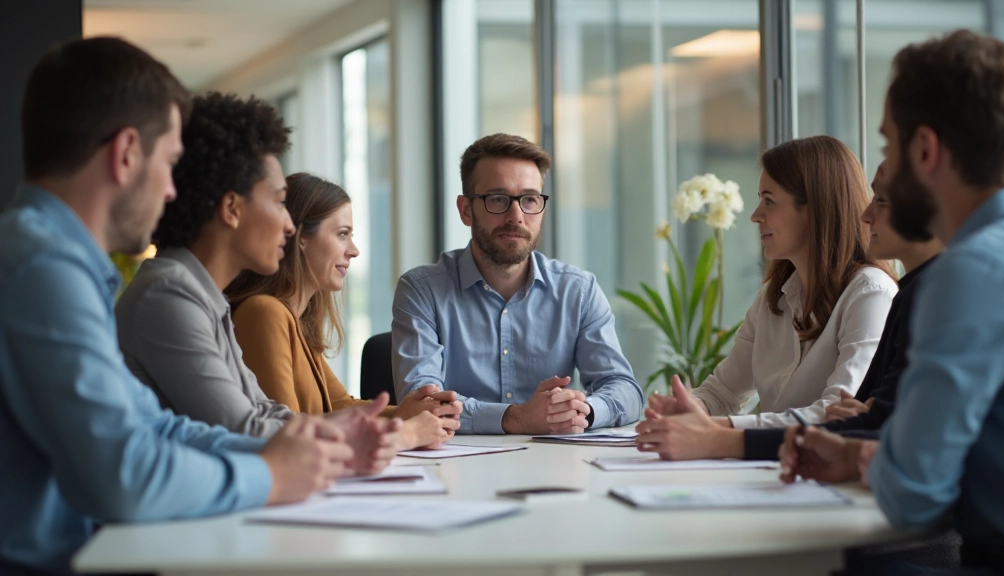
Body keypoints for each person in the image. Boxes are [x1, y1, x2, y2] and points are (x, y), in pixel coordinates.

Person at [0, 38, 352, 576]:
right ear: (125, 155)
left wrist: (286, 452)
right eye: (168, 163)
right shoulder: (43, 267)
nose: (171, 191)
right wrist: (272, 476)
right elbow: (125, 474)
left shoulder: (61, 262)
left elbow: (152, 426)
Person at [779, 30, 1004, 575]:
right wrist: (861, 454)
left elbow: (915, 491)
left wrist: (870, 458)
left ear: (926, 151)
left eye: (889, 146)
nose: (880, 174)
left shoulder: (970, 271)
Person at [114, 92, 399, 474]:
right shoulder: (168, 296)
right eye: (280, 202)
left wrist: (355, 427)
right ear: (232, 209)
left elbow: (262, 410)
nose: (287, 223)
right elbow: (243, 429)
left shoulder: (200, 295)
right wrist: (365, 435)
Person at [637, 161, 942, 461]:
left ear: (815, 210)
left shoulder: (871, 292)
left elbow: (834, 414)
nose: (756, 216)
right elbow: (723, 392)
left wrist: (715, 432)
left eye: (769, 202)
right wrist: (692, 409)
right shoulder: (775, 295)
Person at [392, 133, 644, 434]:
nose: (516, 215)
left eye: (529, 199)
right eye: (497, 199)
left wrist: (584, 412)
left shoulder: (579, 291)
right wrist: (514, 418)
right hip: (458, 471)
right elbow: (423, 404)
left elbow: (625, 390)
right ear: (466, 210)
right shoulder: (422, 291)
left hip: (553, 466)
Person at [225, 173, 462, 450]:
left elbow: (338, 405)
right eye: (342, 234)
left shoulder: (294, 319)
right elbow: (289, 434)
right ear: (301, 237)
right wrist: (405, 431)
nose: (354, 250)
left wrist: (402, 413)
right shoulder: (265, 313)